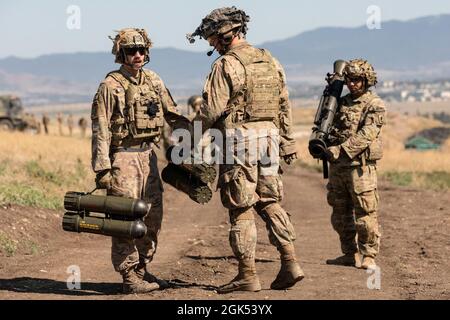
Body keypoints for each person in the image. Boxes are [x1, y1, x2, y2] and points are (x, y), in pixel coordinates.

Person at [188, 7, 303, 293]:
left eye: (213, 38)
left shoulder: (225, 65)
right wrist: (287, 142)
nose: (211, 44)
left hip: (239, 141)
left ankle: (247, 274)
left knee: (241, 207)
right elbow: (284, 105)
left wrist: (189, 137)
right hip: (270, 139)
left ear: (225, 34)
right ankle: (290, 262)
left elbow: (212, 109)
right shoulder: (269, 59)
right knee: (269, 200)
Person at [91, 28, 191, 294]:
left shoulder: (154, 80)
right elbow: (100, 128)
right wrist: (102, 168)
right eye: (132, 51)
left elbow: (174, 115)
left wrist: (194, 137)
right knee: (126, 217)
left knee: (153, 216)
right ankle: (129, 276)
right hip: (122, 158)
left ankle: (142, 269)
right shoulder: (110, 86)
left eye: (142, 50)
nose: (138, 55)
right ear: (121, 54)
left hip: (149, 157)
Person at [324, 59, 386, 270]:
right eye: (349, 80)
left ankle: (368, 255)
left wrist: (339, 150)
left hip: (360, 168)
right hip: (338, 167)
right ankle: (349, 254)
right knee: (340, 214)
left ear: (366, 80)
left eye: (357, 80)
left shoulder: (374, 104)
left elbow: (366, 134)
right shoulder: (340, 103)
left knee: (365, 214)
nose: (352, 84)